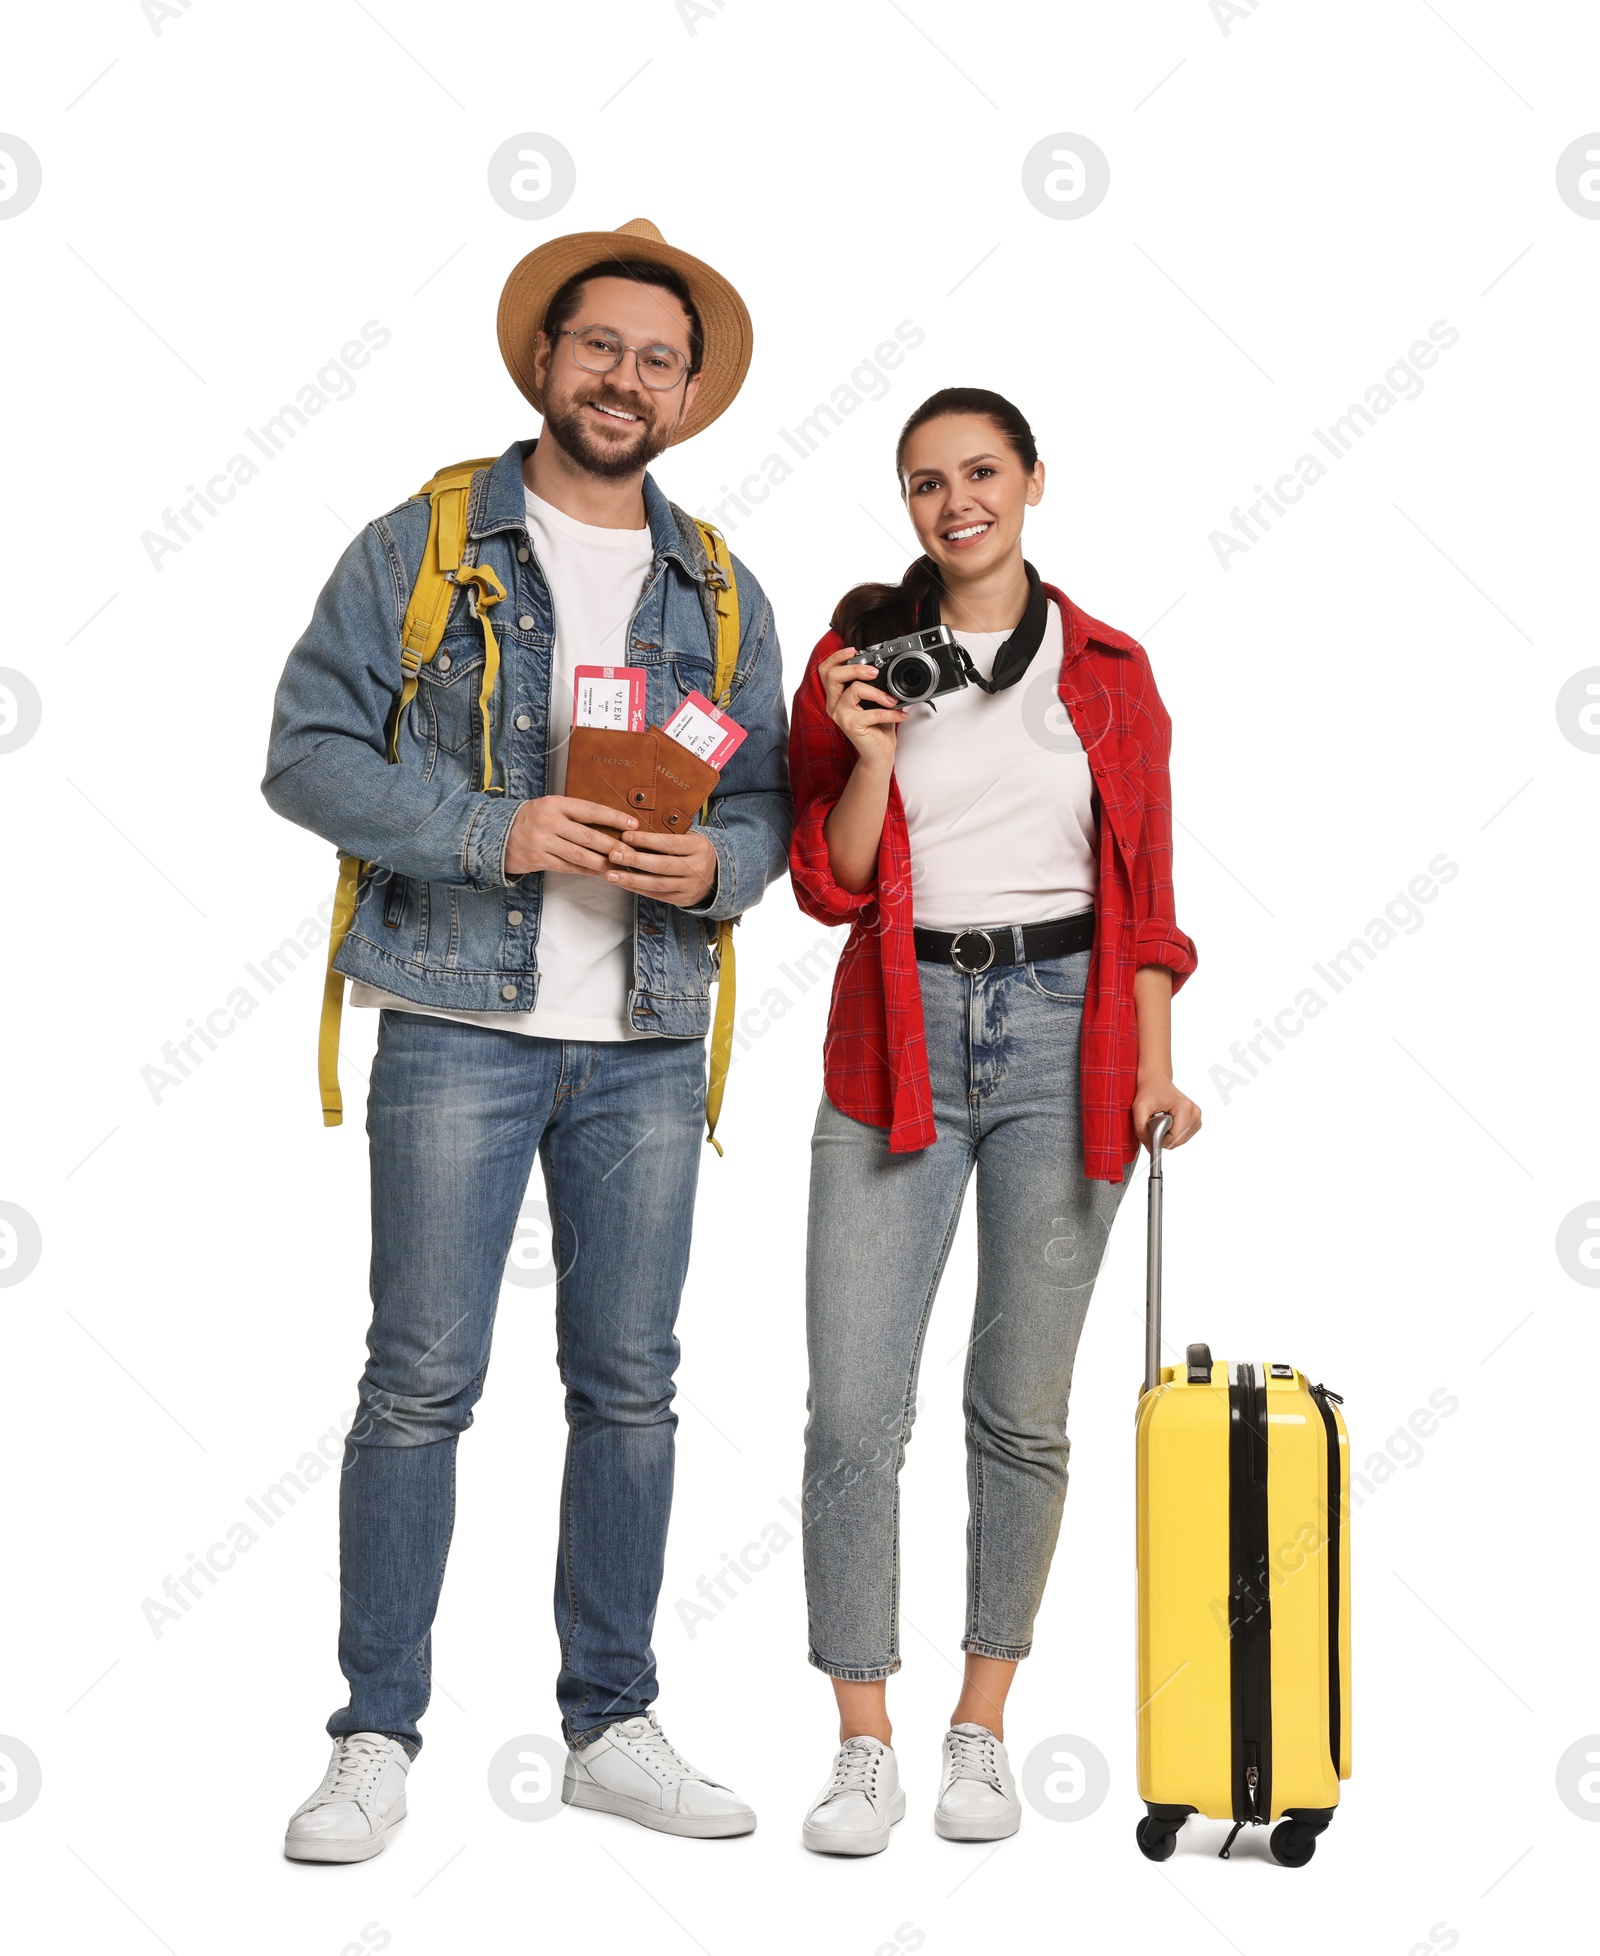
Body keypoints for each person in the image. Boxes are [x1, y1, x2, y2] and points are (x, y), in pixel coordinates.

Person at [262, 219, 791, 1860]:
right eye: (598, 348)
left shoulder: (718, 582)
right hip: (454, 1029)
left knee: (631, 1386)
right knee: (419, 1383)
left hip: (644, 1037)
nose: (623, 379)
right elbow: (306, 755)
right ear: (542, 363)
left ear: (686, 394)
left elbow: (769, 800)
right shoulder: (422, 545)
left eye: (656, 358)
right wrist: (501, 831)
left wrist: (720, 865)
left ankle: (610, 1723)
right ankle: (373, 1734)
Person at [787, 387, 1200, 1854]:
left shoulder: (1107, 670)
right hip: (896, 1036)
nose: (953, 500)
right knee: (854, 1406)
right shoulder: (857, 660)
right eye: (923, 483)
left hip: (1064, 1035)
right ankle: (862, 1739)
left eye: (978, 472)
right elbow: (827, 886)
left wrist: (1155, 1063)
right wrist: (872, 755)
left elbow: (1145, 901)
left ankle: (981, 1725)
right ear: (906, 507)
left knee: (1020, 1411)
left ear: (1030, 480)